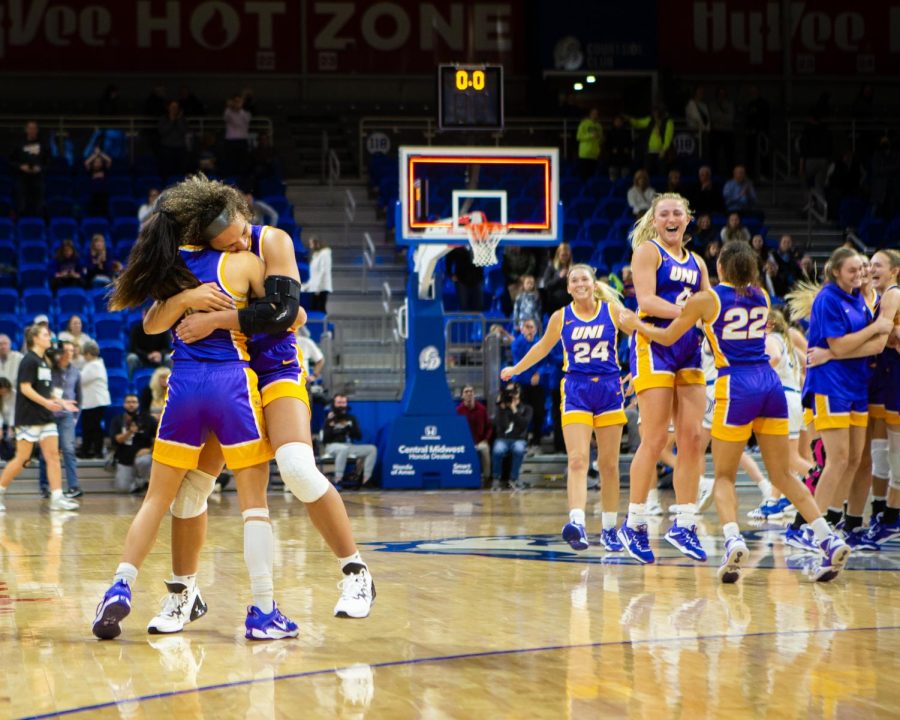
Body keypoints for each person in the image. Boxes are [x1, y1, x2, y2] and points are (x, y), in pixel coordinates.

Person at [152, 183, 374, 628]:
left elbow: (283, 314)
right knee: (191, 491)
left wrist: (215, 318)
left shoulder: (272, 240)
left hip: (275, 371)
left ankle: (355, 571)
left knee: (294, 466)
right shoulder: (192, 253)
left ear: (243, 211)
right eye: (225, 244)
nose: (235, 244)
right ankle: (184, 592)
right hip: (227, 376)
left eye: (237, 235)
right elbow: (157, 317)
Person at [92, 177, 298, 641]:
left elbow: (149, 326)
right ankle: (263, 611)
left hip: (182, 387)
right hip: (233, 386)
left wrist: (185, 301)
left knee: (160, 500)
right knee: (254, 508)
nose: (242, 240)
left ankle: (122, 581)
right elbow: (288, 316)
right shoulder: (245, 263)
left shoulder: (173, 268)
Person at [619, 241, 852, 582]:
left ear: (722, 268)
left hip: (736, 386)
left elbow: (668, 337)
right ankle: (827, 538)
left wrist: (635, 324)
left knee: (725, 475)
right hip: (770, 386)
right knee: (783, 475)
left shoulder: (707, 298)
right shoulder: (762, 296)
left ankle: (732, 540)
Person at [502, 264, 626, 550]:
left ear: (594, 285)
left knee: (608, 465)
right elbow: (541, 348)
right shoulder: (561, 317)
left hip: (608, 388)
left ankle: (609, 529)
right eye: (574, 280)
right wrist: (516, 369)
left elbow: (641, 333)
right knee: (578, 459)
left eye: (585, 278)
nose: (580, 283)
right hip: (576, 390)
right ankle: (577, 523)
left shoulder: (612, 311)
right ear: (568, 288)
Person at [783, 247, 893, 551]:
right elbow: (841, 345)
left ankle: (833, 521)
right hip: (830, 386)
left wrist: (843, 348)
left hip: (857, 386)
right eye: (852, 270)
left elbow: (867, 346)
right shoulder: (828, 299)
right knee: (836, 459)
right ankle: (810, 528)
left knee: (855, 460)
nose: (859, 274)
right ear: (835, 272)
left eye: (862, 268)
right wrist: (865, 335)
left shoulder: (858, 297)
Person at [621, 193, 711, 564]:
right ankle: (635, 522)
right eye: (664, 213)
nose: (671, 218)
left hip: (689, 348)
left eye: (678, 212)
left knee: (692, 438)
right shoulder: (648, 252)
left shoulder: (698, 262)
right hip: (654, 344)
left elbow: (710, 305)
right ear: (655, 220)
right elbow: (646, 300)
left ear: (688, 219)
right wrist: (688, 313)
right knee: (656, 437)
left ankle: (685, 522)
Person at [0, 325, 80, 513]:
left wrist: (61, 402)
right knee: (22, 458)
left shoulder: (44, 361)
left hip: (45, 417)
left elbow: (46, 390)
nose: (49, 338)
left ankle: (57, 497)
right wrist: (46, 403)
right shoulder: (28, 360)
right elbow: (25, 388)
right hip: (28, 416)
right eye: (46, 335)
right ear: (35, 339)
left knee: (53, 456)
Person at [862, 249, 900, 546]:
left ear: (894, 271)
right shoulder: (876, 297)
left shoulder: (892, 294)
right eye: (870, 263)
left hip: (895, 377)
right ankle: (879, 511)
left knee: (894, 451)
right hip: (882, 378)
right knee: (879, 450)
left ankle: (891, 516)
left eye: (878, 265)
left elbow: (885, 332)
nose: (872, 268)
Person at [37, 341, 82, 498]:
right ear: (60, 353)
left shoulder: (76, 372)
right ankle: (45, 486)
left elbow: (79, 396)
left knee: (69, 450)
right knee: (46, 452)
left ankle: (74, 487)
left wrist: (76, 417)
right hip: (48, 415)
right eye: (66, 350)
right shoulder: (49, 369)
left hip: (66, 417)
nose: (69, 353)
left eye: (72, 350)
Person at [322, 394, 378, 489]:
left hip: (349, 446)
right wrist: (331, 425)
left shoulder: (351, 418)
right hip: (332, 446)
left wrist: (350, 427)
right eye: (339, 402)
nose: (341, 405)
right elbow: (325, 439)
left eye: (343, 402)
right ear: (334, 404)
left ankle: (366, 480)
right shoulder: (329, 418)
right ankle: (338, 480)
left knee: (372, 449)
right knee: (343, 449)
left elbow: (358, 436)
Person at [109, 394, 156, 494]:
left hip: (143, 456)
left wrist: (150, 450)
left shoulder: (148, 419)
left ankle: (145, 481)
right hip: (124, 457)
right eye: (128, 402)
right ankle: (139, 484)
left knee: (144, 461)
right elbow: (117, 439)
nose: (131, 405)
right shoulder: (117, 420)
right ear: (124, 404)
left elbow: (157, 438)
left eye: (134, 402)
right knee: (123, 488)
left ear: (138, 404)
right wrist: (130, 432)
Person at [510, 319, 546, 447]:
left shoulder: (541, 343)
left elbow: (544, 362)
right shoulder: (517, 343)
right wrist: (532, 374)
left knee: (538, 412)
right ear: (522, 329)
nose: (530, 330)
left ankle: (537, 440)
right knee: (522, 411)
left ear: (536, 329)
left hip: (536, 384)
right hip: (522, 382)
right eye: (528, 327)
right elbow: (520, 362)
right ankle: (523, 438)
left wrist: (539, 373)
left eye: (532, 327)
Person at [490, 383, 532, 491]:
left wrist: (514, 410)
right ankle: (496, 479)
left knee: (518, 449)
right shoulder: (502, 407)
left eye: (514, 391)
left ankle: (514, 479)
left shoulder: (526, 408)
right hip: (503, 438)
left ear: (519, 393)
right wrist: (501, 408)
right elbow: (498, 424)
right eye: (509, 392)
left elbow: (524, 424)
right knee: (497, 450)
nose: (511, 394)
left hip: (518, 439)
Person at [78, 341, 110, 459]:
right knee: (90, 427)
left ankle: (94, 451)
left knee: (92, 428)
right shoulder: (95, 364)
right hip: (93, 402)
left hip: (95, 402)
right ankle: (89, 450)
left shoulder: (94, 365)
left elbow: (80, 379)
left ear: (88, 353)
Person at [456, 385, 492, 487]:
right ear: (462, 395)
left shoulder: (482, 409)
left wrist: (486, 440)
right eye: (466, 392)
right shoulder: (458, 411)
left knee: (485, 449)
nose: (469, 394)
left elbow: (489, 427)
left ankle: (487, 478)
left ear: (474, 394)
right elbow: (456, 430)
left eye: (471, 391)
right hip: (465, 443)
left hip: (480, 442)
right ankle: (462, 478)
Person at [11, 120, 47, 216]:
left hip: (38, 178)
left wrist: (40, 168)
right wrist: (20, 166)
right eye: (30, 128)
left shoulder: (43, 144)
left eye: (34, 128)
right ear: (26, 130)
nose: (32, 130)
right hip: (22, 178)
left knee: (38, 205)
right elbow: (11, 161)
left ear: (37, 130)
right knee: (22, 204)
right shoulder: (19, 144)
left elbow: (49, 162)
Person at [126, 310, 173, 377]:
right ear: (143, 316)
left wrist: (160, 354)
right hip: (142, 358)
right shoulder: (136, 329)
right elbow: (133, 348)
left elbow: (168, 348)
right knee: (131, 358)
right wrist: (147, 356)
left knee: (169, 358)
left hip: (159, 358)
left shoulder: (163, 329)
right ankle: (130, 383)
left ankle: (170, 382)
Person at [446, 246, 484, 312]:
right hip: (461, 279)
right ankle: (466, 321)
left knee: (478, 306)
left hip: (477, 279)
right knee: (464, 306)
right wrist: (450, 275)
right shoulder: (457, 246)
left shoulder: (478, 244)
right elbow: (448, 260)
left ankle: (477, 322)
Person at [541, 242, 573, 316]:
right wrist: (559, 277)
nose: (565, 258)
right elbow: (547, 285)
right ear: (558, 255)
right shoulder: (551, 267)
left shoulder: (573, 267)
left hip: (569, 302)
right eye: (562, 255)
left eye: (566, 255)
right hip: (554, 303)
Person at [305, 235, 333, 313]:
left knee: (319, 308)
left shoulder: (325, 254)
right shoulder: (316, 255)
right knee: (314, 308)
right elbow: (314, 274)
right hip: (315, 287)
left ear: (317, 244)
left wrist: (318, 288)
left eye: (311, 244)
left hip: (321, 287)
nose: (310, 246)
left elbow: (323, 271)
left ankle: (323, 324)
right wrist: (308, 285)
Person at [84, 145, 112, 216]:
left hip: (103, 193)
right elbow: (86, 163)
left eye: (99, 162)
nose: (97, 163)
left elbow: (109, 160)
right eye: (96, 162)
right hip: (94, 193)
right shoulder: (91, 171)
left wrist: (100, 153)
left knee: (104, 209)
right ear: (93, 164)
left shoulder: (105, 170)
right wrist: (95, 154)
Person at [576, 108, 603, 179]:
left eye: (596, 114)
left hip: (594, 155)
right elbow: (578, 137)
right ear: (590, 114)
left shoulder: (599, 126)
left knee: (592, 178)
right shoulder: (584, 123)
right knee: (584, 177)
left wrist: (600, 138)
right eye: (593, 113)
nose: (595, 115)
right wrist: (591, 136)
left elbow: (600, 140)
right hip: (584, 155)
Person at [0, 334, 24, 410]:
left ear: (10, 345)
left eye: (5, 344)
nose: (3, 347)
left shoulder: (19, 357)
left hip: (14, 396)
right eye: (0, 344)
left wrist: (9, 388)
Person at [606, 114, 632, 180]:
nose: (618, 122)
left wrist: (628, 149)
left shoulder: (627, 132)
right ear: (614, 122)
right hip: (613, 159)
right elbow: (607, 144)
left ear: (622, 122)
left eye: (620, 121)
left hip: (624, 158)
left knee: (624, 179)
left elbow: (631, 143)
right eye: (616, 121)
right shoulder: (610, 132)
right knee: (613, 179)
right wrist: (611, 149)